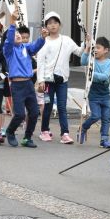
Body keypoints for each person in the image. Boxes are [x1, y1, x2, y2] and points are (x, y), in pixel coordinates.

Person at [36, 11, 83, 144]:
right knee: (48, 106)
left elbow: (79, 52)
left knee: (62, 107)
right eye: (49, 23)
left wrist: (87, 43)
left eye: (55, 22)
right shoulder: (43, 42)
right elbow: (40, 62)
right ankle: (44, 130)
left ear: (60, 24)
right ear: (45, 26)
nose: (53, 25)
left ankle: (65, 133)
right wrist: (41, 81)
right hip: (48, 81)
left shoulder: (66, 40)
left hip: (62, 80)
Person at [1, 13, 45, 148]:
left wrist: (42, 37)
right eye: (15, 34)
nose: (18, 35)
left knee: (34, 112)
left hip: (28, 84)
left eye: (18, 34)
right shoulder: (8, 50)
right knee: (19, 114)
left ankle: (27, 137)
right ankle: (10, 131)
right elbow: (9, 40)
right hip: (17, 85)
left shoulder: (25, 48)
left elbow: (36, 46)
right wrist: (13, 22)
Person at [79, 36, 110, 148]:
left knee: (106, 118)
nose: (95, 50)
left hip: (105, 95)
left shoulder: (109, 63)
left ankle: (104, 139)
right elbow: (83, 61)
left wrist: (90, 74)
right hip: (94, 95)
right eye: (94, 48)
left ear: (106, 50)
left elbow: (104, 77)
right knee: (95, 116)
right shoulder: (91, 61)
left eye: (98, 48)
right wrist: (87, 47)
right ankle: (84, 127)